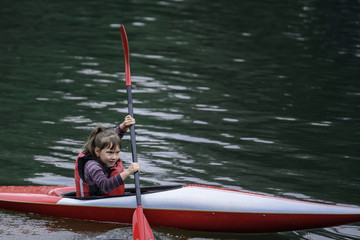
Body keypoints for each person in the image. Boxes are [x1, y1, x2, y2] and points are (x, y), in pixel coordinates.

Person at [74, 115, 140, 197]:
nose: (114, 157)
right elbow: (105, 186)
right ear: (97, 151)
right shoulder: (92, 166)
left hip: (106, 198)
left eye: (117, 152)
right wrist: (128, 172)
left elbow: (112, 138)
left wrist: (123, 126)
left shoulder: (102, 150)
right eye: (110, 153)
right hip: (92, 203)